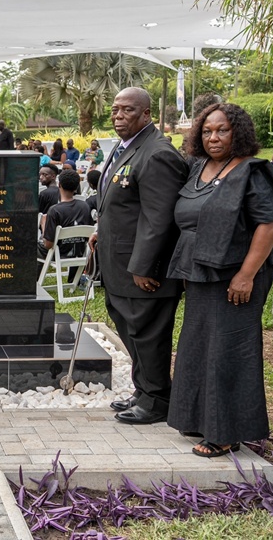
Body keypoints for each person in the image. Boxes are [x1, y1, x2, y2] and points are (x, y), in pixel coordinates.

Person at [167, 103, 273, 457]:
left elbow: (269, 224)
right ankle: (198, 419)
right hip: (202, 272)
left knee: (227, 352)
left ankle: (225, 433)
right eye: (206, 131)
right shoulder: (199, 167)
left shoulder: (253, 172)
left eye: (222, 130)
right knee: (198, 346)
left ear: (238, 132)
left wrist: (246, 275)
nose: (213, 137)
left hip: (236, 276)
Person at [90, 87, 188, 426]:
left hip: (143, 269)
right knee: (131, 330)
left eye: (127, 110)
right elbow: (119, 204)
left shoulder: (157, 153)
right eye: (115, 110)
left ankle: (158, 399)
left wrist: (145, 266)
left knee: (147, 334)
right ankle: (143, 390)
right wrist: (100, 231)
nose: (118, 116)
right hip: (118, 262)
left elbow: (158, 218)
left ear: (146, 114)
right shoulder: (125, 148)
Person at [38, 169, 93, 260]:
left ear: (59, 185)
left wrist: (43, 223)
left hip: (58, 254)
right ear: (76, 187)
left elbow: (48, 245)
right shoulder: (84, 206)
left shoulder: (54, 210)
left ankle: (38, 274)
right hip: (78, 252)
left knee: (31, 247)